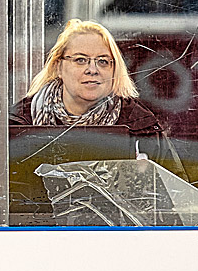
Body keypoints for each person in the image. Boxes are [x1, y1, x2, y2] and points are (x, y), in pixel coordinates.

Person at [11, 19, 186, 178]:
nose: (92, 69)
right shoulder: (19, 122)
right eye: (80, 60)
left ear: (114, 69)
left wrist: (141, 182)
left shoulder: (141, 126)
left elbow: (176, 195)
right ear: (58, 66)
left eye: (102, 61)